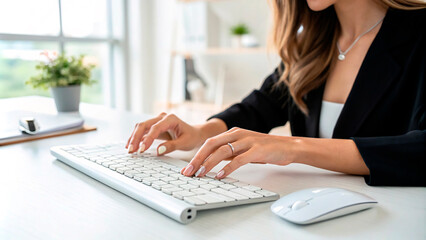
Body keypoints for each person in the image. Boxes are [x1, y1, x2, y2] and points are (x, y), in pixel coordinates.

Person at [127, 0, 426, 187]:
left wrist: (293, 147)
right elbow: (259, 107)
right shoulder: (311, 42)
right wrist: (199, 132)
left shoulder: (418, 33)